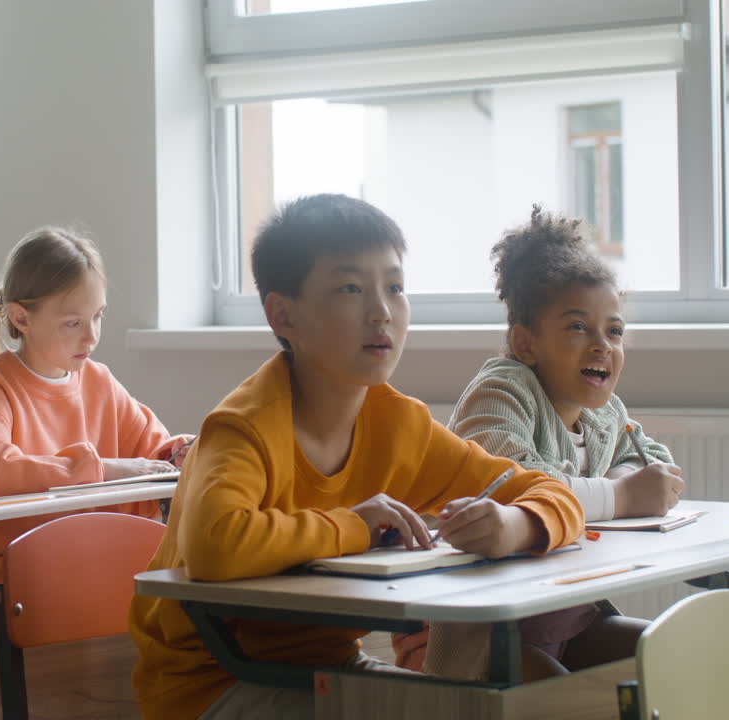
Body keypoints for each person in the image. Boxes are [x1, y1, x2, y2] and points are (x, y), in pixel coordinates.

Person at [129, 194, 585, 719]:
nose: (382, 311)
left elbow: (548, 491)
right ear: (283, 314)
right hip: (212, 685)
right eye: (350, 288)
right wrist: (357, 525)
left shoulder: (399, 425)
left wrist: (517, 523)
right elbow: (215, 545)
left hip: (327, 672)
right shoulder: (243, 428)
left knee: (508, 707)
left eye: (394, 287)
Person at [393, 205, 683, 675]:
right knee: (560, 693)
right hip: (480, 630)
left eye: (614, 331)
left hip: (565, 616)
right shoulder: (502, 390)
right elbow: (511, 481)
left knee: (670, 659)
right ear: (527, 343)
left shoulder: (605, 412)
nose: (601, 345)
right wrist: (622, 494)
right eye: (577, 327)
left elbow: (651, 460)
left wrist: (631, 479)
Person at [0, 226, 192, 615]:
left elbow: (150, 450)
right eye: (73, 323)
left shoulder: (99, 381)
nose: (91, 337)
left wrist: (179, 453)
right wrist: (102, 469)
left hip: (88, 560)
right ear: (21, 318)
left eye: (98, 316)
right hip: (2, 573)